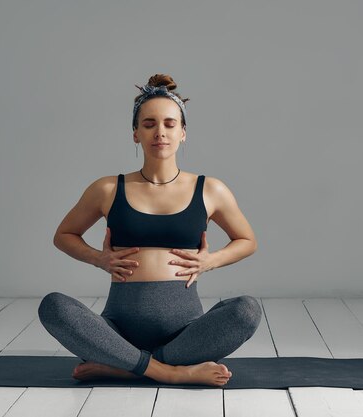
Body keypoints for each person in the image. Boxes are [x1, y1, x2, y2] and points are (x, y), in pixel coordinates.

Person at [38, 73, 261, 387]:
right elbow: (64, 235)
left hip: (186, 333)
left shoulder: (211, 189)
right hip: (118, 330)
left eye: (170, 124)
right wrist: (97, 258)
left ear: (183, 133)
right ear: (135, 134)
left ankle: (122, 365)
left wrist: (210, 261)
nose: (160, 132)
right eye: (149, 124)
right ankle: (168, 371)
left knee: (247, 311)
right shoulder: (107, 189)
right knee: (53, 306)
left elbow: (247, 240)